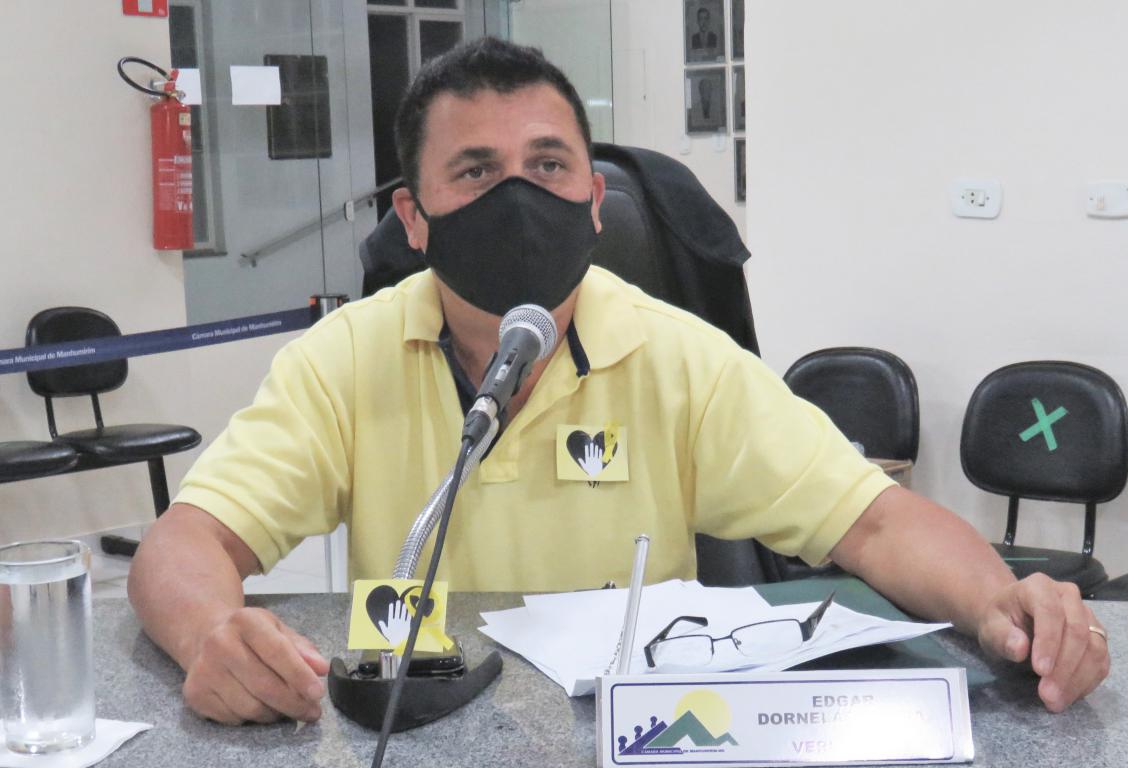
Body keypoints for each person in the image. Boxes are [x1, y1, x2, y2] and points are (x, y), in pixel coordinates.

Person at [128, 37, 1109, 727]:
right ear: (413, 219)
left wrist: (1002, 606)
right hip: (425, 729)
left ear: (594, 201)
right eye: (476, 172)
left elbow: (878, 522)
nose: (520, 197)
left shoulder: (677, 356)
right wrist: (213, 634)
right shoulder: (345, 357)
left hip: (641, 735)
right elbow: (188, 540)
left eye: (549, 165)